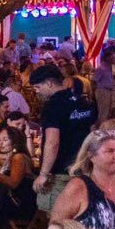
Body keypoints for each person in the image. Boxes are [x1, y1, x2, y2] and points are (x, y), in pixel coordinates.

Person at [33, 61, 98, 211]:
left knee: (56, 217)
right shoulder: (83, 101)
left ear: (49, 83)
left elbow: (52, 142)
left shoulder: (52, 106)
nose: (36, 91)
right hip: (83, 167)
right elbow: (93, 132)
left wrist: (43, 174)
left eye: (37, 87)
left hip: (60, 173)